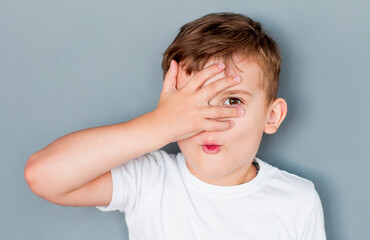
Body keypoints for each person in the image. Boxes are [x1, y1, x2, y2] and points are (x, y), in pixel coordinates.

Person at [24, 12, 326, 240]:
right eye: (190, 103)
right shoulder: (151, 179)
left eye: (232, 101)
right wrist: (161, 125)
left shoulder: (297, 199)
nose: (208, 120)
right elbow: (43, 175)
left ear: (271, 116)